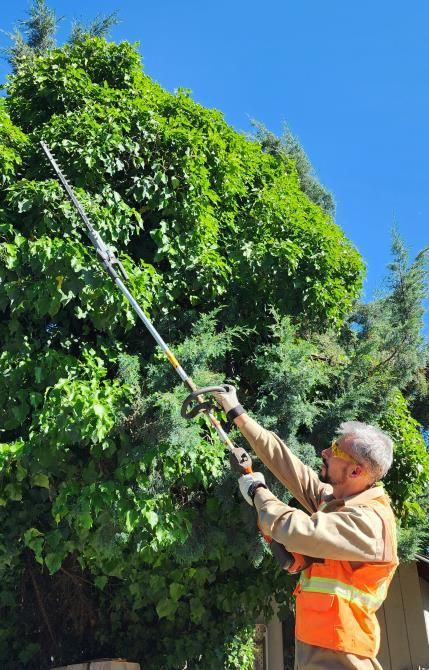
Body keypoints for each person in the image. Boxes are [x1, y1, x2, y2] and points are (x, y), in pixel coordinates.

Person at [213, 385, 398, 670]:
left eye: (336, 449)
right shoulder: (336, 501)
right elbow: (287, 464)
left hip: (343, 656)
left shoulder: (370, 522)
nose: (324, 451)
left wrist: (258, 492)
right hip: (319, 651)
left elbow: (299, 532)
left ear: (356, 471)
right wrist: (237, 413)